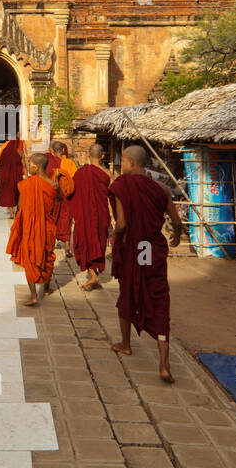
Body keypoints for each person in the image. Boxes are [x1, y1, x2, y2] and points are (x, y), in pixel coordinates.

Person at [108, 143, 183, 382]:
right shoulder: (161, 188)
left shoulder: (121, 186)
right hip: (152, 249)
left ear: (130, 162)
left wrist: (114, 239)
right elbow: (176, 220)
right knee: (159, 299)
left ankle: (125, 344)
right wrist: (177, 236)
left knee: (128, 291)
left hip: (133, 248)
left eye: (123, 161)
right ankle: (164, 364)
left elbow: (121, 224)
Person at [6, 152, 58, 307]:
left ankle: (34, 295)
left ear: (37, 166)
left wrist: (18, 223)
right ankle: (47, 288)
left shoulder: (28, 184)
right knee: (47, 255)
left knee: (30, 257)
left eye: (30, 164)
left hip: (31, 227)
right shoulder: (53, 184)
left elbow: (21, 207)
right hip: (48, 227)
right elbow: (57, 202)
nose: (28, 167)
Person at [71, 143, 112, 290]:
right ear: (102, 156)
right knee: (98, 242)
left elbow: (71, 193)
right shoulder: (108, 174)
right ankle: (94, 274)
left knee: (86, 241)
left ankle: (93, 274)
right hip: (102, 214)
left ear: (88, 154)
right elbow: (111, 196)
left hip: (85, 214)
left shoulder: (81, 173)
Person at [49, 140, 77, 255]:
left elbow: (47, 178)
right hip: (67, 196)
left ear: (52, 151)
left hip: (55, 196)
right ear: (63, 150)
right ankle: (67, 248)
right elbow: (74, 179)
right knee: (66, 220)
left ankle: (51, 244)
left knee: (53, 219)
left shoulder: (50, 162)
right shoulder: (70, 163)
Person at [0, 135, 27, 217]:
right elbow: (24, 165)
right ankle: (18, 210)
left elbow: (1, 164)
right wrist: (27, 176)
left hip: (7, 176)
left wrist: (2, 177)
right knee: (18, 192)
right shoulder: (20, 153)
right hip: (17, 175)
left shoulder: (5, 151)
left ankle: (11, 213)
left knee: (9, 193)